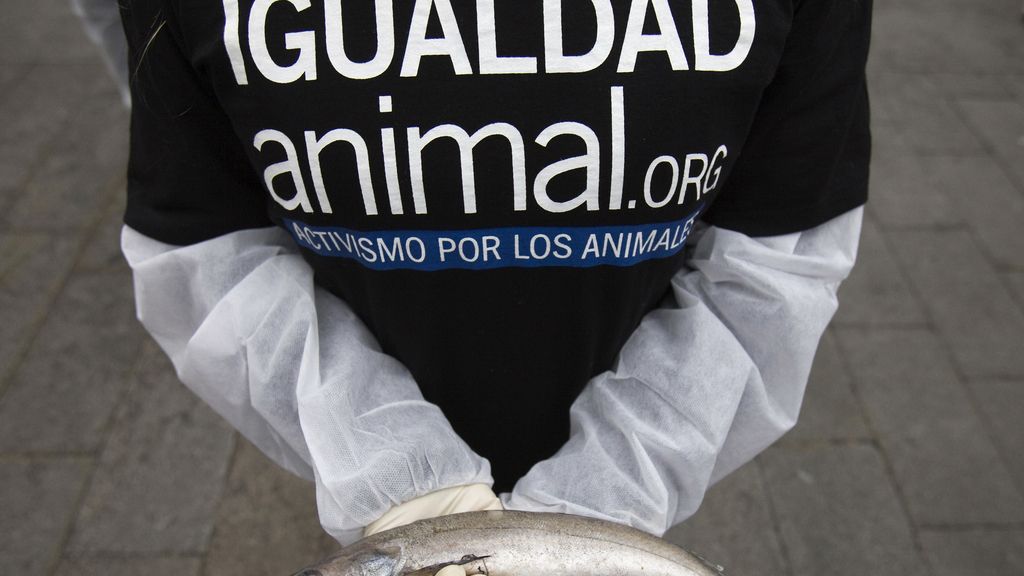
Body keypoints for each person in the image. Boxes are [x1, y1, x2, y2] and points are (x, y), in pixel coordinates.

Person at [115, 0, 872, 552]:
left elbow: (781, 239)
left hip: (639, 434)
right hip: (349, 448)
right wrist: (386, 471)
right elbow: (205, 234)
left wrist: (620, 482)